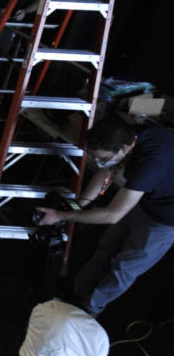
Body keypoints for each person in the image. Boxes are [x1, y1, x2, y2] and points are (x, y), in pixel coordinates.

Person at [36, 114, 174, 316]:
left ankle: (89, 308)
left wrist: (60, 216)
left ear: (124, 149)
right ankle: (77, 293)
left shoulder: (149, 164)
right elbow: (106, 172)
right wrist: (76, 207)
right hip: (144, 199)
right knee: (106, 247)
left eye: (104, 157)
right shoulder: (131, 135)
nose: (99, 162)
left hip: (165, 218)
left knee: (125, 267)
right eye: (96, 157)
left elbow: (112, 215)